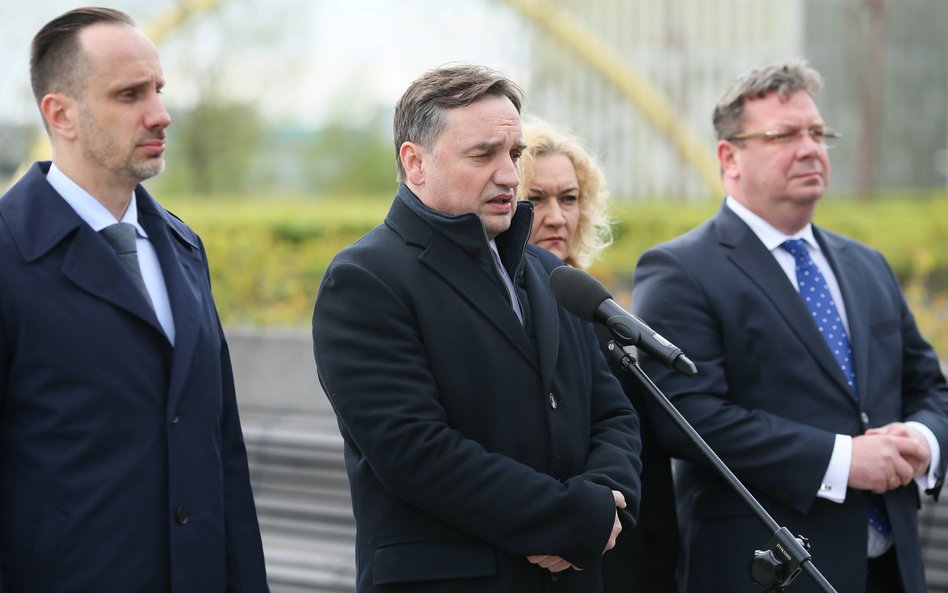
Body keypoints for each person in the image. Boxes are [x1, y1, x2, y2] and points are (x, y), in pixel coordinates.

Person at [312, 64, 642, 593]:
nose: (511, 175)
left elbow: (614, 412)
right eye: (483, 154)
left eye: (513, 155)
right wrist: (569, 519)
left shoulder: (549, 273)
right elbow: (414, 450)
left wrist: (605, 500)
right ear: (414, 162)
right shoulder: (365, 278)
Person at [631, 59, 948, 593]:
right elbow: (689, 417)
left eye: (818, 133)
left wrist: (922, 441)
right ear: (728, 157)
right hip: (770, 570)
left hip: (894, 566)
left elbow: (928, 385)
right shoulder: (680, 269)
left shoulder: (866, 264)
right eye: (784, 135)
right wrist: (843, 460)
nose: (810, 149)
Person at [0, 8, 269, 593]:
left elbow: (222, 450)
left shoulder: (182, 245)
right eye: (130, 94)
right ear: (60, 114)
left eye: (159, 90)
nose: (160, 114)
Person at [516, 117, 680, 592]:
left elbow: (629, 431)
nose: (556, 216)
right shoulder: (506, 317)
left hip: (625, 544)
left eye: (569, 198)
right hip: (542, 548)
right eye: (536, 199)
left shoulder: (602, 311)